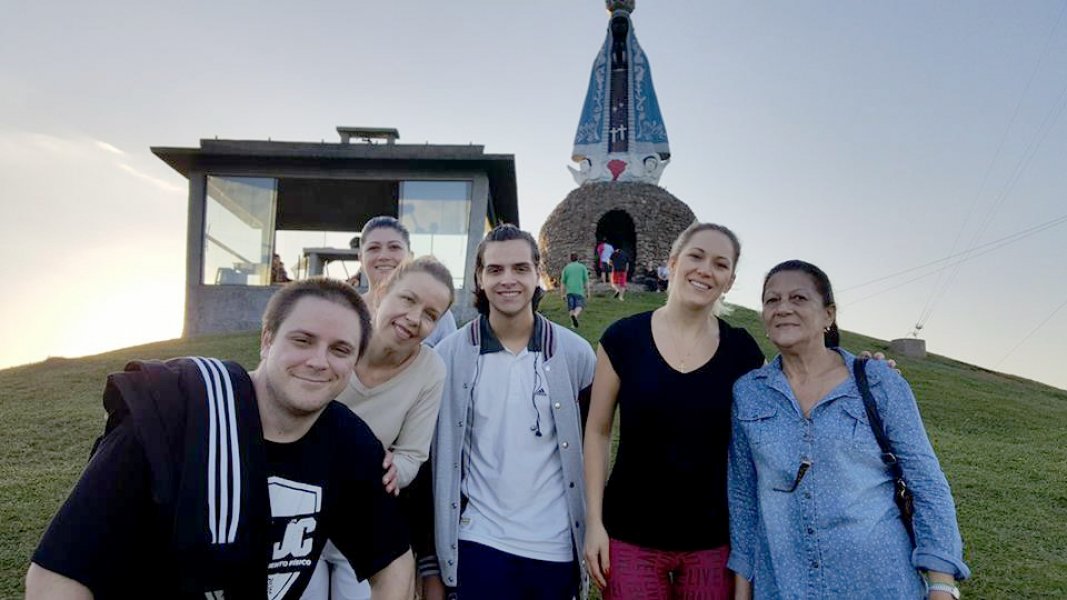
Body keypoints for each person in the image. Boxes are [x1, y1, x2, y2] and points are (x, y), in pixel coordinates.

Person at [25, 278, 414, 600]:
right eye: (302, 340)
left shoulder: (348, 441)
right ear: (267, 340)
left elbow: (395, 563)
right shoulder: (174, 413)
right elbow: (55, 577)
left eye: (340, 349)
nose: (318, 361)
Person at [728, 260, 970, 599]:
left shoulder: (878, 381)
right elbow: (743, 498)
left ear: (828, 314)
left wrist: (941, 585)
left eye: (798, 298)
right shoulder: (749, 393)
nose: (783, 308)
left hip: (880, 583)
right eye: (772, 300)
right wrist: (743, 591)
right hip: (785, 586)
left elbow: (926, 483)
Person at [583, 222, 764, 599]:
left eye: (720, 264)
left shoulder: (743, 352)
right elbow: (598, 432)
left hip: (712, 542)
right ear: (673, 262)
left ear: (729, 281)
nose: (705, 270)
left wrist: (860, 370)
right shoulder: (622, 338)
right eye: (696, 256)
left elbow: (791, 398)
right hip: (629, 534)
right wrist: (594, 522)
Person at [433, 224, 597, 599]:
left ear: (538, 273)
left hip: (556, 546)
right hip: (480, 540)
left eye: (520, 268)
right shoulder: (449, 356)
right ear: (479, 277)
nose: (508, 279)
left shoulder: (576, 354)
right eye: (495, 269)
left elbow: (593, 446)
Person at [303, 257, 454, 600]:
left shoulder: (431, 371)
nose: (414, 318)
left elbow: (412, 455)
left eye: (430, 314)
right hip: (302, 509)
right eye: (408, 299)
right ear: (383, 292)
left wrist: (391, 470)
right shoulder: (337, 339)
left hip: (362, 515)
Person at [359, 216, 457, 347]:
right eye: (373, 248)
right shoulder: (348, 309)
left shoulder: (438, 315)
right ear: (360, 258)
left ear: (410, 256)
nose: (384, 256)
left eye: (394, 247)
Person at [560, 252, 591, 328]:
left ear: (570, 259)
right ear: (578, 258)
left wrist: (562, 294)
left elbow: (563, 282)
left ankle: (573, 324)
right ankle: (575, 315)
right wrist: (588, 292)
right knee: (579, 306)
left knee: (571, 308)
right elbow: (586, 281)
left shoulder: (566, 268)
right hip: (579, 291)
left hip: (569, 291)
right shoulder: (582, 267)